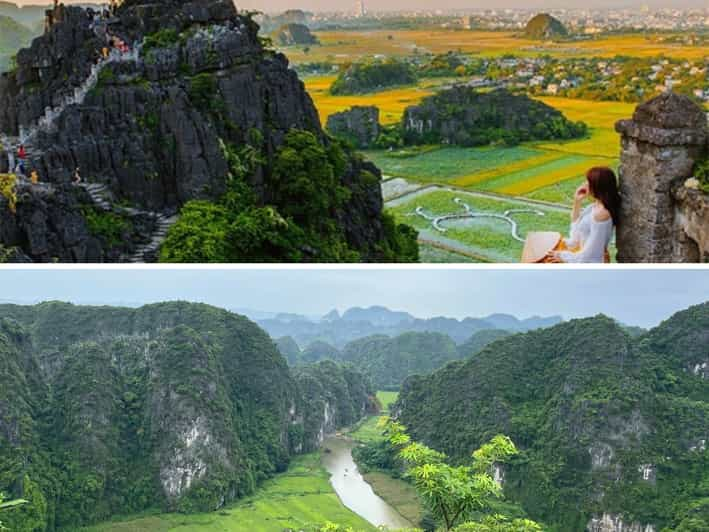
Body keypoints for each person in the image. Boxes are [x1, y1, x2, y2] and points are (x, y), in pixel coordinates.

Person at [546, 167, 620, 263]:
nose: (584, 184)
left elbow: (591, 255)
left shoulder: (601, 214)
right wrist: (577, 201)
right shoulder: (594, 207)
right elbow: (577, 232)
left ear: (597, 186)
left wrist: (562, 256)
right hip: (580, 255)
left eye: (588, 181)